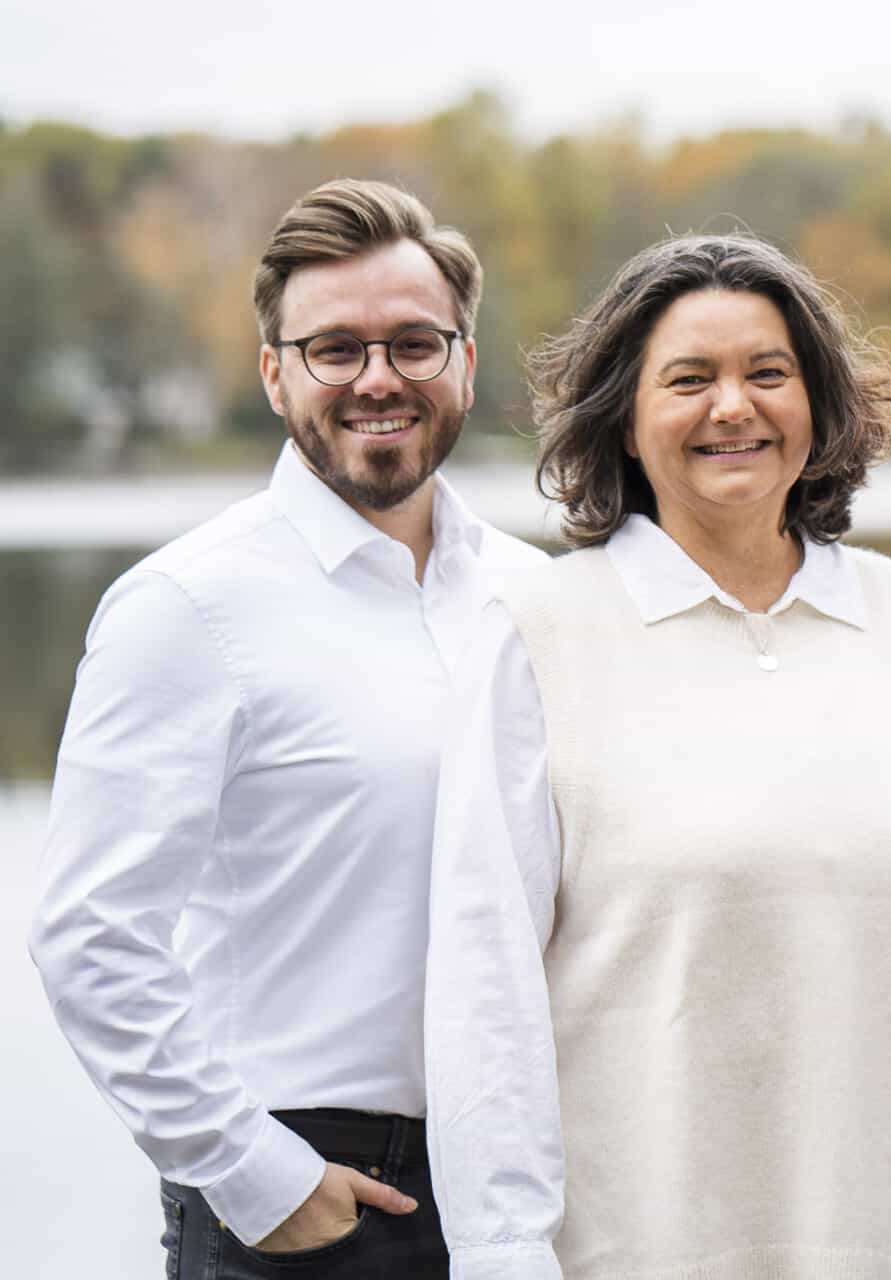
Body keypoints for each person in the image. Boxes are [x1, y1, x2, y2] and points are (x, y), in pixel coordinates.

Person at [423, 233, 891, 1279]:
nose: (732, 407)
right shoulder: (538, 629)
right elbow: (483, 986)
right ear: (626, 420)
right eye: (688, 379)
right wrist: (503, 1254)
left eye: (767, 373)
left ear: (818, 405)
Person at [28, 179, 547, 1278]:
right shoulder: (189, 605)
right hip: (314, 1198)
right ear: (274, 372)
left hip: (519, 1186)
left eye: (414, 343)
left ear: (462, 357)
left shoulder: (532, 592)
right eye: (334, 348)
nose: (377, 379)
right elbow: (91, 936)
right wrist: (254, 1171)